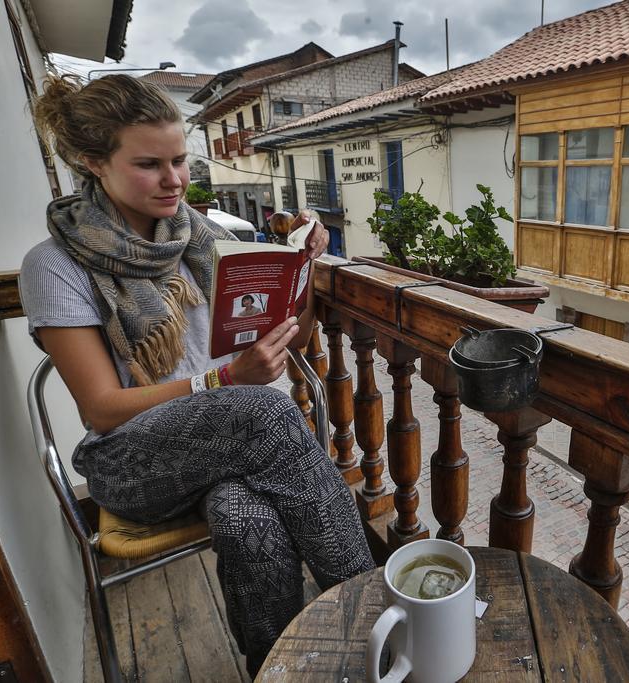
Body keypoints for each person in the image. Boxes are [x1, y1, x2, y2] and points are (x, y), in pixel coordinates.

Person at [19, 74, 374, 676]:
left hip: (230, 443)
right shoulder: (54, 266)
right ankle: (379, 613)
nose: (174, 180)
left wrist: (302, 273)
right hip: (134, 463)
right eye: (149, 164)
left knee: (245, 517)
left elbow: (291, 338)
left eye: (181, 160)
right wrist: (224, 381)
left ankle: (276, 666)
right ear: (93, 163)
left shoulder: (200, 237)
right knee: (263, 410)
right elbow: (101, 409)